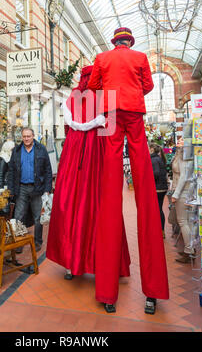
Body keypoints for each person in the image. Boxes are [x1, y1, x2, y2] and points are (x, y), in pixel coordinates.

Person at [88, 27, 169, 315]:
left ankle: (108, 295)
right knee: (145, 189)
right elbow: (147, 85)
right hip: (134, 112)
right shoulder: (140, 57)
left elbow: (95, 85)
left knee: (110, 193)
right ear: (129, 42)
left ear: (114, 42)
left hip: (110, 113)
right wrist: (132, 90)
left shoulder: (102, 57)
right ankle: (153, 293)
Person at [46, 66, 131, 288]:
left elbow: (69, 126)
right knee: (101, 205)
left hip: (74, 154)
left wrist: (81, 127)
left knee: (70, 204)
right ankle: (107, 262)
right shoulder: (106, 97)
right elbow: (111, 130)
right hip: (97, 152)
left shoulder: (71, 98)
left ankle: (70, 263)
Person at [7, 127, 52, 252]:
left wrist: (47, 189)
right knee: (18, 216)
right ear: (22, 137)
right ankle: (19, 243)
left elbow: (48, 170)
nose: (26, 139)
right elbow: (11, 171)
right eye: (24, 136)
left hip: (37, 188)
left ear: (33, 136)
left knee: (38, 217)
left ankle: (38, 242)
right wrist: (11, 189)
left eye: (29, 136)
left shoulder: (41, 149)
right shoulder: (16, 150)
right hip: (21, 188)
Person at [170, 137, 196, 263]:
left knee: (183, 221)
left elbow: (183, 177)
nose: (178, 141)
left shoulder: (184, 155)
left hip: (183, 192)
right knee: (187, 222)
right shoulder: (182, 153)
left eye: (181, 140)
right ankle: (190, 248)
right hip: (187, 191)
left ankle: (189, 251)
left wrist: (176, 194)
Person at [149, 143, 168, 238]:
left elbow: (155, 173)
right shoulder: (159, 158)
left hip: (158, 188)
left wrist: (147, 178)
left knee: (157, 209)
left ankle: (160, 231)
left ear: (152, 149)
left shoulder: (154, 159)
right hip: (162, 187)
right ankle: (161, 230)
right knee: (159, 209)